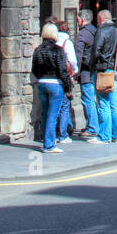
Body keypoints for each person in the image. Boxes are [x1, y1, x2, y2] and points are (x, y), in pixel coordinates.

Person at [31, 22, 72, 153]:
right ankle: (49, 145)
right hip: (55, 83)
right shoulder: (58, 50)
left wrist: (42, 77)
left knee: (46, 112)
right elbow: (62, 70)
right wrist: (67, 87)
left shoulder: (38, 50)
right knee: (52, 115)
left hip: (42, 82)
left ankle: (46, 139)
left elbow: (34, 69)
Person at [93, 8, 117, 143]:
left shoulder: (101, 31)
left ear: (101, 19)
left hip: (104, 70)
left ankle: (104, 136)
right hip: (115, 70)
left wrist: (97, 64)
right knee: (114, 103)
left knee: (103, 103)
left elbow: (96, 52)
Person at [50, 16, 78, 144]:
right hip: (65, 76)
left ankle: (52, 133)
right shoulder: (67, 43)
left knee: (54, 106)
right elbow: (72, 60)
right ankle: (63, 134)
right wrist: (75, 71)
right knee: (65, 105)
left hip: (52, 77)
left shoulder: (52, 42)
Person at [75, 9, 100, 140]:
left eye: (78, 19)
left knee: (87, 99)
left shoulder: (83, 34)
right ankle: (92, 125)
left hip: (86, 71)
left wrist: (75, 71)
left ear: (83, 19)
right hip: (95, 69)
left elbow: (78, 55)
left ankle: (92, 127)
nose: (77, 21)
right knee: (92, 99)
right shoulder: (95, 31)